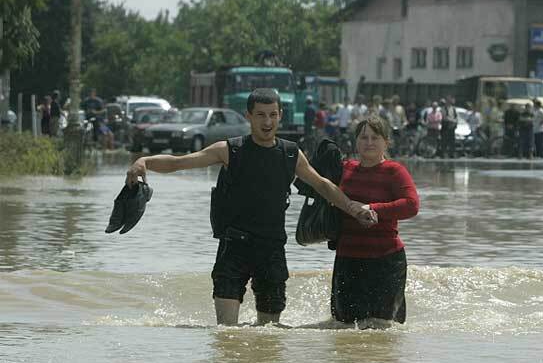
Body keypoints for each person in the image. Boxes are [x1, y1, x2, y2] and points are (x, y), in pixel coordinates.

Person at [125, 88, 377, 326]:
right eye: (260, 115)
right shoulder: (229, 150)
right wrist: (144, 161)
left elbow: (322, 185)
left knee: (269, 335)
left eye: (272, 115)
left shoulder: (291, 154)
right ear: (249, 116)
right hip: (234, 248)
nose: (267, 121)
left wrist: (353, 207)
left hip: (272, 249)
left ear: (279, 116)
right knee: (227, 333)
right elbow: (179, 163)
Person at [330, 116, 419, 328]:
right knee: (343, 328)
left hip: (385, 262)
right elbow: (321, 189)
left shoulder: (395, 171)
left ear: (386, 142)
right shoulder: (344, 170)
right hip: (347, 260)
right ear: (355, 142)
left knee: (382, 329)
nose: (369, 142)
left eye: (375, 137)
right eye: (363, 137)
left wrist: (372, 208)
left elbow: (411, 205)